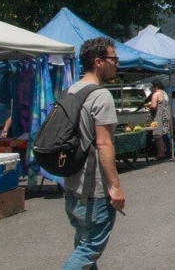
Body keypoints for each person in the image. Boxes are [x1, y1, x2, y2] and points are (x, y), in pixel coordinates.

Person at [62, 37, 125, 269]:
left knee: (83, 244)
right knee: (89, 249)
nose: (117, 63)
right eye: (113, 58)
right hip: (94, 189)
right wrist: (115, 187)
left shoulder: (70, 91)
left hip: (71, 185)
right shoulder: (100, 95)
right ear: (98, 62)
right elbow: (104, 145)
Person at [149, 79, 172, 159]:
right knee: (163, 134)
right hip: (165, 116)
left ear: (155, 86)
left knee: (157, 136)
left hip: (158, 116)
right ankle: (167, 151)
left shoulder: (156, 94)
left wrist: (150, 105)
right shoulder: (164, 93)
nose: (151, 88)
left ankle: (161, 154)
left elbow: (154, 106)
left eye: (152, 86)